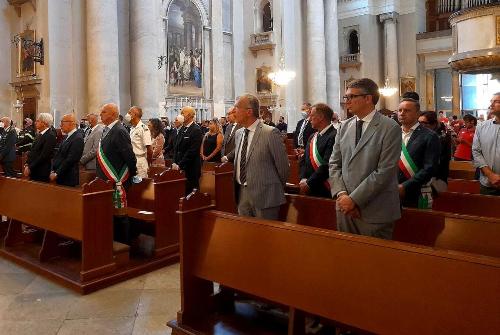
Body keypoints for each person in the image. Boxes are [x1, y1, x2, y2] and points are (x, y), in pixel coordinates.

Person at [329, 78, 401, 240]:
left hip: (374, 210)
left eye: (351, 97)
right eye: (346, 97)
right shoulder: (344, 126)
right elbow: (334, 163)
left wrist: (354, 199)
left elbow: (384, 171)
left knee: (375, 262)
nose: (346, 101)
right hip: (344, 208)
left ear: (368, 98)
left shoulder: (389, 127)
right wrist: (342, 195)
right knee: (346, 259)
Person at [224, 94, 289, 220]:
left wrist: (271, 188)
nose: (233, 111)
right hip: (242, 192)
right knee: (246, 236)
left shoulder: (270, 133)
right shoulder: (239, 133)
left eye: (236, 108)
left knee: (266, 237)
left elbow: (283, 167)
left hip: (265, 196)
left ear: (249, 112)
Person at [96, 103, 138, 244]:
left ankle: (123, 245)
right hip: (107, 180)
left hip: (117, 179)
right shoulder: (107, 130)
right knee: (111, 214)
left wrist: (130, 176)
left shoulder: (119, 130)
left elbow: (129, 156)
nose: (100, 114)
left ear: (113, 114)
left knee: (120, 215)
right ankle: (113, 241)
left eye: (104, 112)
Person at [397, 98, 440, 208]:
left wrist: (405, 187)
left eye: (406, 110)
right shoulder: (393, 133)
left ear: (418, 114)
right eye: (400, 110)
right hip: (392, 191)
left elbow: (430, 168)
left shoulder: (429, 136)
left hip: (417, 191)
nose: (402, 113)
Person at [299, 103, 337, 198]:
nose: (309, 119)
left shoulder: (334, 135)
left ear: (321, 117)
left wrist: (309, 183)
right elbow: (304, 160)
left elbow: (327, 165)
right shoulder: (312, 137)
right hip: (308, 187)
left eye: (312, 115)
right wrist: (303, 179)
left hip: (324, 189)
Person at [472, 93, 500, 196]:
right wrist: (490, 175)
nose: (491, 105)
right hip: (488, 183)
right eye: (491, 102)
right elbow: (476, 151)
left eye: (496, 102)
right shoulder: (482, 127)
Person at [172, 106, 203, 195]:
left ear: (190, 116)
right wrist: (174, 162)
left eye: (183, 113)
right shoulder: (182, 128)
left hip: (191, 168)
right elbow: (176, 147)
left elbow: (192, 151)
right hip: (180, 166)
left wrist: (180, 165)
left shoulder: (196, 129)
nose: (180, 115)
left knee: (191, 193)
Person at [50, 114, 84, 187]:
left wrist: (57, 173)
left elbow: (70, 160)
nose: (60, 125)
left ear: (72, 123)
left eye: (62, 123)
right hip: (61, 175)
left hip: (68, 178)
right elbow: (58, 155)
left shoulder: (77, 138)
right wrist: (53, 170)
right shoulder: (67, 136)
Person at [418, 111, 452, 184]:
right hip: (426, 174)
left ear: (433, 124)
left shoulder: (441, 137)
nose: (420, 126)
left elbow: (435, 160)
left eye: (423, 123)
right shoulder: (425, 134)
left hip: (436, 176)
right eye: (419, 122)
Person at [24, 113, 57, 182]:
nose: (35, 122)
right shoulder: (39, 134)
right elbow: (32, 151)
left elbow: (44, 155)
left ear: (44, 123)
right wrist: (27, 164)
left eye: (38, 121)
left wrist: (30, 167)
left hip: (41, 170)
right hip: (34, 168)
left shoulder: (50, 135)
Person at [125, 106, 152, 179]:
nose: (127, 114)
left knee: (140, 186)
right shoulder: (132, 128)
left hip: (140, 162)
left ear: (135, 115)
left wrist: (149, 164)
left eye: (129, 112)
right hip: (132, 160)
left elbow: (149, 149)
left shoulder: (143, 128)